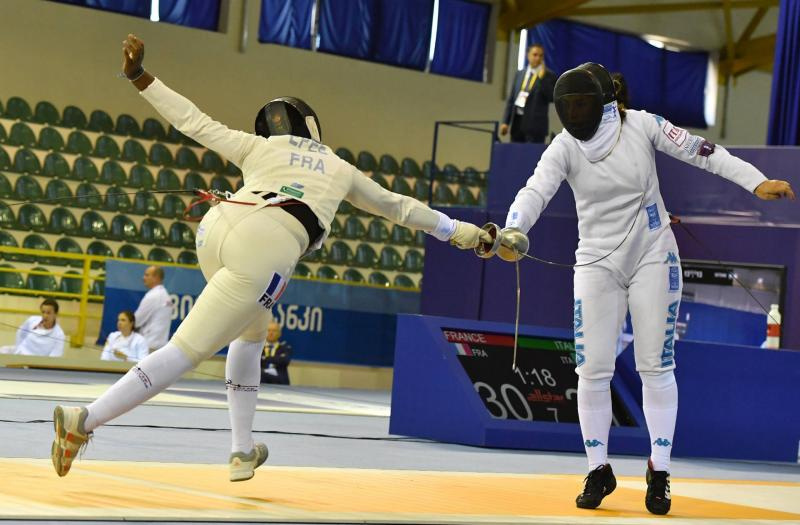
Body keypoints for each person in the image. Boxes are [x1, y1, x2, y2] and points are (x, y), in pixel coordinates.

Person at [51, 34, 489, 483]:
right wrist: (466, 233)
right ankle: (85, 419)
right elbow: (400, 207)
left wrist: (140, 77)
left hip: (216, 227)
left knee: (251, 331)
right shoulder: (338, 167)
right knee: (186, 351)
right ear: (312, 128)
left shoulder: (260, 147)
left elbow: (193, 122)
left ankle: (242, 451)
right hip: (268, 246)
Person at [496, 62, 794, 515]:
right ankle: (598, 468)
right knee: (592, 369)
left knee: (655, 365)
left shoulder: (641, 125)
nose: (575, 113)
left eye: (581, 104)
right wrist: (514, 229)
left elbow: (703, 151)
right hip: (596, 263)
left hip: (653, 255)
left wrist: (756, 180)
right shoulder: (565, 146)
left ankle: (660, 469)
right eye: (568, 106)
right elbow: (534, 190)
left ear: (604, 104)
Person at [500, 44, 557, 143]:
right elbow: (512, 99)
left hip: (535, 128)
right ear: (528, 55)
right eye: (535, 55)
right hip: (517, 124)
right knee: (515, 152)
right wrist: (505, 122)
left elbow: (551, 97)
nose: (538, 58)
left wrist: (541, 78)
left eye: (541, 55)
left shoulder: (548, 75)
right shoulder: (520, 74)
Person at [0, 299, 65, 357]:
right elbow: (21, 333)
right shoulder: (32, 320)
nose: (45, 316)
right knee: (3, 350)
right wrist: (18, 349)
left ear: (56, 314)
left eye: (48, 313)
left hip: (36, 361)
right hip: (21, 353)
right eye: (43, 312)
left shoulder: (59, 334)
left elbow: (55, 356)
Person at [134, 265, 172, 352]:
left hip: (148, 345)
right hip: (160, 345)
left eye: (147, 275)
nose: (143, 278)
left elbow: (136, 321)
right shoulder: (166, 295)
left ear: (156, 278)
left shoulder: (153, 296)